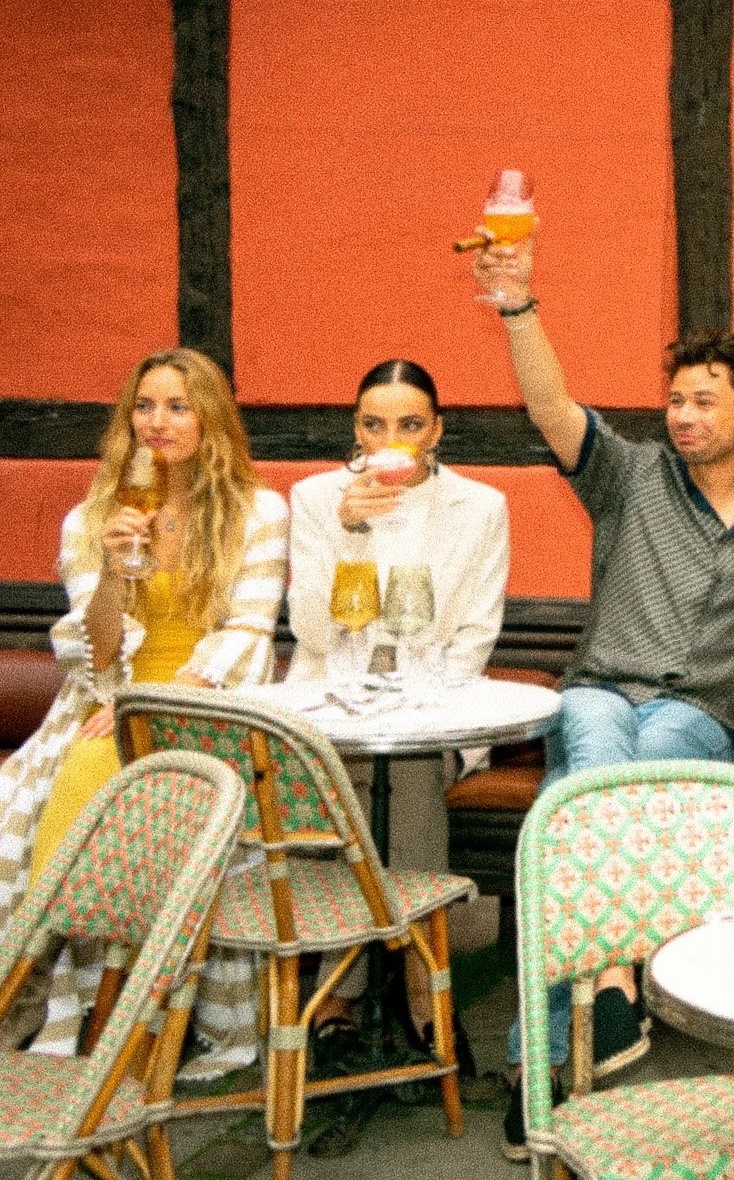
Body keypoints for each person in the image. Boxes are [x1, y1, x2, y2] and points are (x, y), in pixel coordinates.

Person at [473, 229, 734, 1151]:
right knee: (592, 746)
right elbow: (550, 403)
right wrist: (518, 303)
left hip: (703, 714)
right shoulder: (629, 476)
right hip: (601, 686)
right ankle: (614, 989)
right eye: (674, 399)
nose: (682, 414)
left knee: (649, 753)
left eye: (705, 400)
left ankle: (542, 1062)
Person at [0, 348, 287, 1068]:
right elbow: (96, 660)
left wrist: (151, 708)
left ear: (210, 419)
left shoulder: (258, 509)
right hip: (106, 700)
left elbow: (249, 632)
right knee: (62, 780)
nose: (158, 423)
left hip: (211, 704)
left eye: (178, 406)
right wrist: (110, 576)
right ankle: (67, 999)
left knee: (105, 777)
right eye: (145, 406)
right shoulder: (93, 517)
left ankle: (111, 1007)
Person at [287, 359, 511, 871]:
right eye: (374, 425)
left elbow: (476, 635)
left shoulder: (480, 507)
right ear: (356, 429)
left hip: (431, 704)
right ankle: (332, 933)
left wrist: (419, 708)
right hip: (330, 696)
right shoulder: (318, 498)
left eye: (410, 425)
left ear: (436, 429)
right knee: (327, 760)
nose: (392, 440)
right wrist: (350, 531)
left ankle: (404, 935)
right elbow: (312, 634)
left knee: (404, 762)